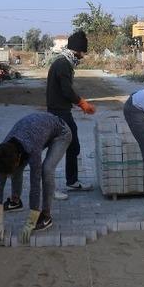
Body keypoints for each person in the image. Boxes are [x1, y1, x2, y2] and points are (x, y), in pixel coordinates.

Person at [0, 113, 72, 245]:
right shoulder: (4, 150)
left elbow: (35, 185)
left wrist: (32, 217)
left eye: (9, 173)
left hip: (61, 133)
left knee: (47, 169)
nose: (7, 177)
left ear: (17, 159)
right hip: (38, 130)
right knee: (15, 170)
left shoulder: (33, 150)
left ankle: (46, 215)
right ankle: (15, 201)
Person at [46, 30, 95, 198]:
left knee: (72, 146)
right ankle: (50, 189)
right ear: (77, 50)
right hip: (59, 113)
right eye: (82, 52)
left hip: (62, 110)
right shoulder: (63, 64)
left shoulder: (65, 63)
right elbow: (66, 90)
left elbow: (66, 89)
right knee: (58, 150)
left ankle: (72, 181)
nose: (83, 56)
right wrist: (82, 103)